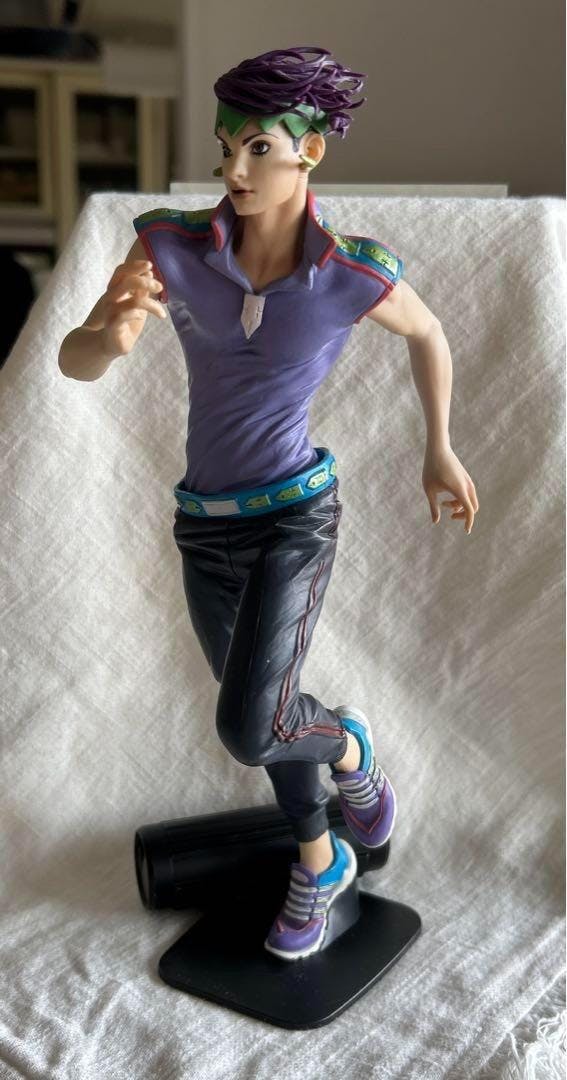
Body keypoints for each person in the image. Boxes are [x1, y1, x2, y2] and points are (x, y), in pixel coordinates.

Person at [58, 45, 479, 962]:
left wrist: (438, 445)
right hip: (202, 526)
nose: (233, 170)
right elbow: (74, 360)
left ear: (308, 153)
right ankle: (321, 859)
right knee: (267, 715)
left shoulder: (351, 271)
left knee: (254, 723)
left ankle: (350, 748)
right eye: (225, 148)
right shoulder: (169, 243)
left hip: (295, 516)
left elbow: (428, 332)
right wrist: (110, 332)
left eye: (255, 148)